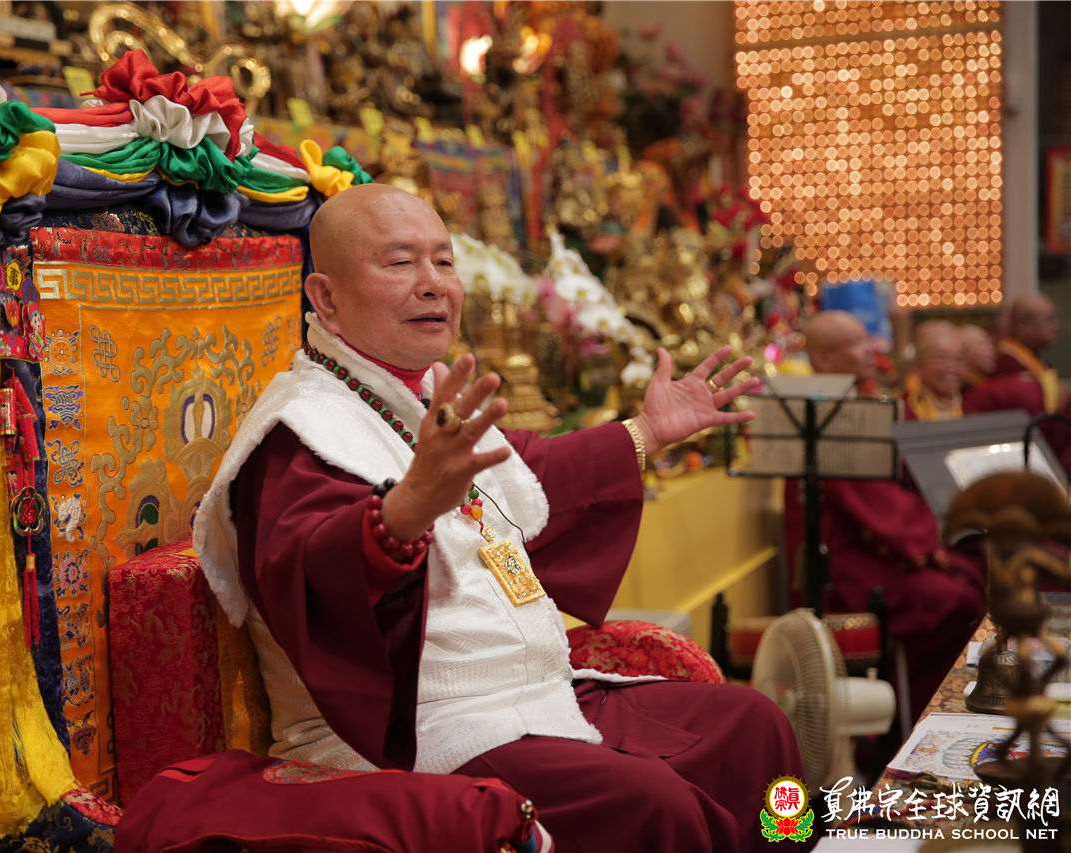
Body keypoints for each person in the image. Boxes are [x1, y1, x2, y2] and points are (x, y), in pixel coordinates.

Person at [187, 184, 805, 852]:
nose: (433, 283)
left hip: (533, 698)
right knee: (654, 805)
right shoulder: (298, 429)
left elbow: (533, 478)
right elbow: (308, 566)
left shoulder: (419, 395)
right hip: (414, 731)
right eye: (400, 263)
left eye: (443, 261)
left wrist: (649, 430)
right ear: (326, 298)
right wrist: (403, 512)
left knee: (754, 726)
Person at [784, 311, 986, 721]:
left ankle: (939, 707)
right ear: (822, 358)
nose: (871, 349)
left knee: (977, 572)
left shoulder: (866, 402)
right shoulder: (823, 417)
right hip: (844, 564)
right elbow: (872, 502)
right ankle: (911, 717)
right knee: (956, 598)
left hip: (878, 546)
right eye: (857, 343)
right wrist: (927, 544)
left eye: (869, 339)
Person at [963, 292, 1071, 468]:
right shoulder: (1006, 367)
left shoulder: (1037, 362)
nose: (1055, 326)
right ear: (1023, 326)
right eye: (1048, 319)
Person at [902, 320, 965, 422]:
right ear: (918, 366)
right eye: (941, 358)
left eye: (959, 359)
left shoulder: (972, 405)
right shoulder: (904, 410)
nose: (951, 366)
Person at [958, 322, 996, 393]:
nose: (991, 348)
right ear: (965, 351)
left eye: (990, 343)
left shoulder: (983, 382)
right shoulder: (963, 388)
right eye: (983, 343)